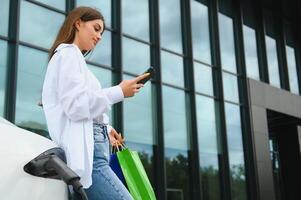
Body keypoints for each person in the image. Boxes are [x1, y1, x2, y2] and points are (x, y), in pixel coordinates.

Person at [42, 6, 149, 200]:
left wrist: (106, 129)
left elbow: (79, 106)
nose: (99, 36)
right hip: (91, 157)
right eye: (96, 28)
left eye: (101, 32)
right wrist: (119, 91)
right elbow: (76, 106)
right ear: (78, 23)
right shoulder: (68, 54)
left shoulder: (73, 59)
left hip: (94, 151)